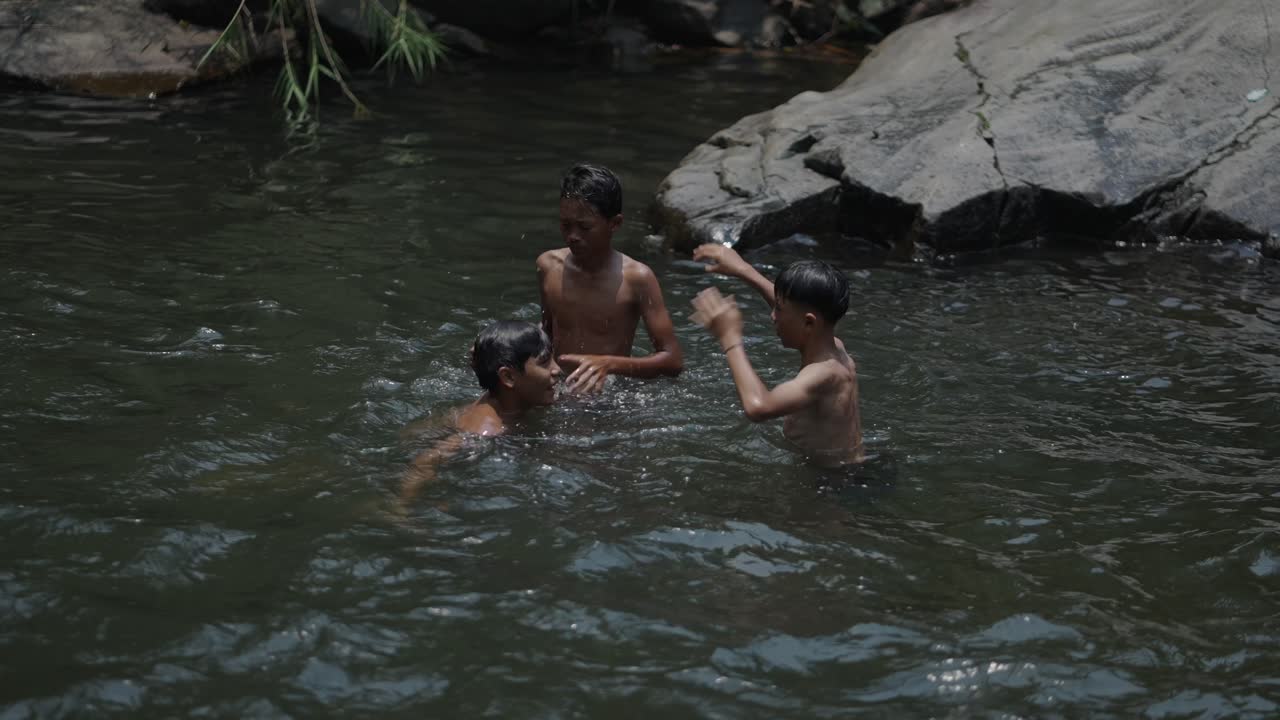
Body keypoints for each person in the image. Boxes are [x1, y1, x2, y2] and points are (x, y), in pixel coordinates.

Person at [691, 244, 863, 464]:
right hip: (846, 469)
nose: (772, 316)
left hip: (827, 479)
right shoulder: (835, 348)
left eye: (778, 309)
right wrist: (743, 269)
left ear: (809, 323)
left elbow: (758, 407)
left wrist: (729, 337)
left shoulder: (822, 375)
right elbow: (799, 312)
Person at [537, 163, 683, 393]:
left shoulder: (637, 278)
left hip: (608, 396)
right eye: (565, 225)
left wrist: (608, 364)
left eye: (585, 227)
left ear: (615, 223)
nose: (572, 236)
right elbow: (545, 333)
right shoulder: (548, 266)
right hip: (556, 388)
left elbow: (673, 360)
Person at [400, 320, 561, 507]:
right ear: (508, 377)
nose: (557, 369)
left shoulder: (509, 398)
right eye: (544, 363)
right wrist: (401, 507)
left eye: (553, 358)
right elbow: (425, 461)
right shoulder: (486, 432)